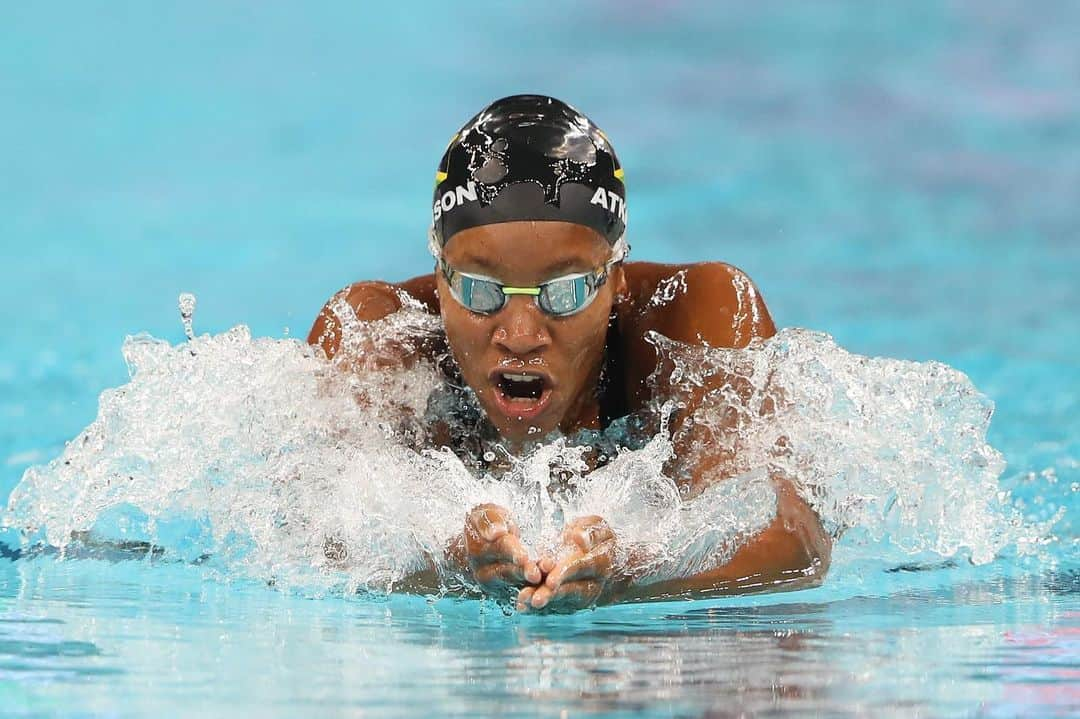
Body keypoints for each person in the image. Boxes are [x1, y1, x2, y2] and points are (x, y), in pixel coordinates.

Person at [308, 95, 831, 613]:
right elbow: (306, 538)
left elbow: (791, 539)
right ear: (440, 277)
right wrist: (448, 564)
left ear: (616, 277)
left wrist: (632, 571)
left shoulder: (695, 318)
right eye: (478, 288)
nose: (519, 334)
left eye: (565, 291)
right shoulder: (375, 334)